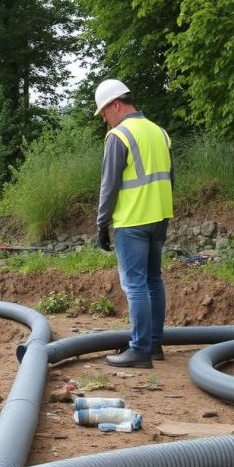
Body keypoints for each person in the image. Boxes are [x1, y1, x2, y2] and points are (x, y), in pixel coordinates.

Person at [94, 79, 174, 368]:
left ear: (116, 104)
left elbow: (109, 186)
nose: (104, 119)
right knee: (154, 280)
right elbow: (170, 177)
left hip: (132, 220)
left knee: (135, 285)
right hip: (160, 215)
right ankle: (153, 346)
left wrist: (102, 224)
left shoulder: (119, 136)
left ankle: (139, 350)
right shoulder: (159, 132)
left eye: (104, 113)